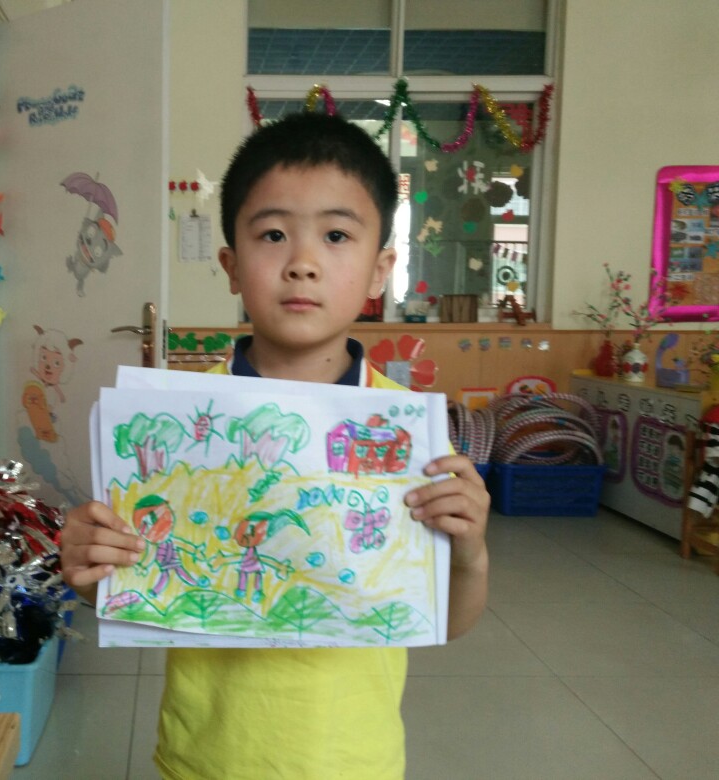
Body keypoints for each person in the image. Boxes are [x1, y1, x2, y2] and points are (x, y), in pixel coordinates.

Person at [60, 111, 490, 779]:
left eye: (337, 235)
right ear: (231, 266)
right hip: (202, 759)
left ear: (380, 270)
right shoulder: (178, 423)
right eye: (273, 234)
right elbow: (122, 589)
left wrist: (468, 553)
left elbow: (446, 622)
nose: (303, 264)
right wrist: (91, 564)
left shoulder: (405, 435)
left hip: (354, 763)